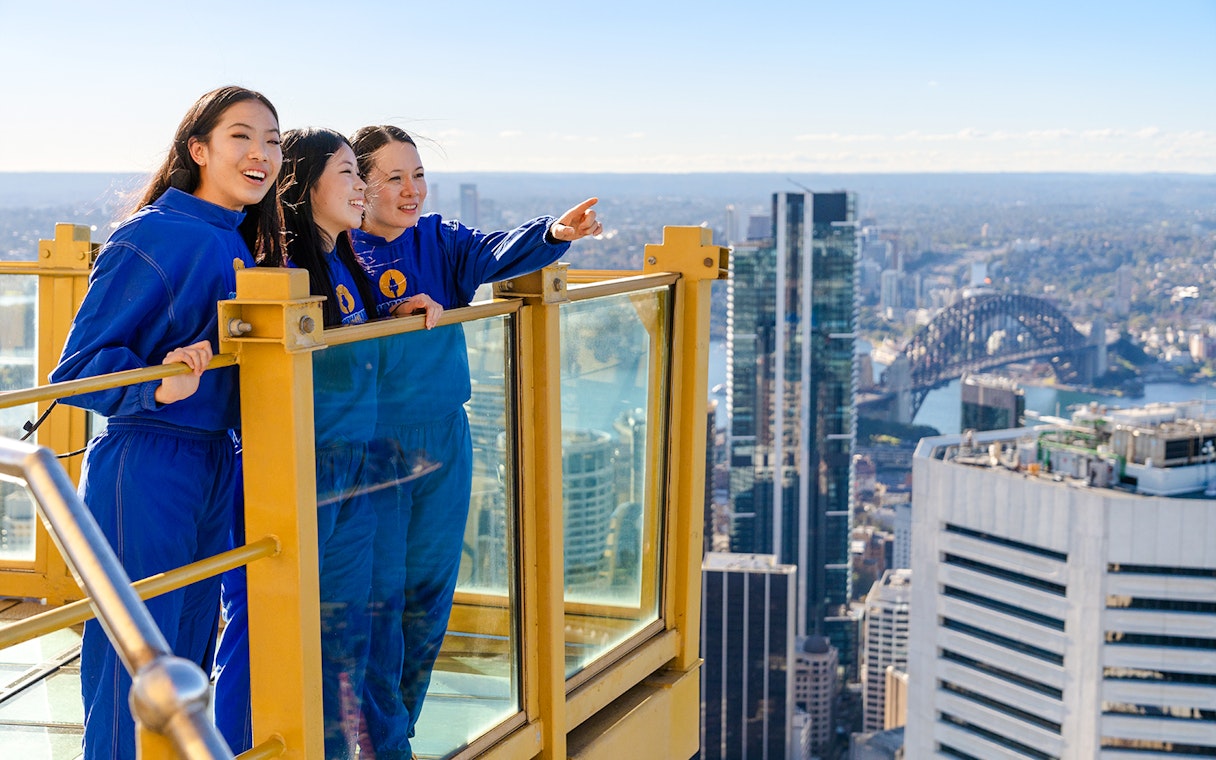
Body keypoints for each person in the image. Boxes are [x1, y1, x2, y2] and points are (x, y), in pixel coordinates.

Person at [349, 124, 601, 759]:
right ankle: (382, 744)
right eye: (393, 178)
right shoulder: (334, 250)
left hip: (443, 438)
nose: (411, 191)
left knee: (428, 599)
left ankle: (394, 732)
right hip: (370, 446)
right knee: (377, 604)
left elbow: (496, 252)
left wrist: (554, 235)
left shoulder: (437, 241)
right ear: (358, 184)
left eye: (418, 176)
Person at [49, 86, 284, 760]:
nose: (260, 153)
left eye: (271, 140)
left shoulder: (237, 239)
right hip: (147, 463)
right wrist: (159, 382)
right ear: (198, 149)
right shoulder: (155, 234)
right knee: (138, 663)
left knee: (184, 659)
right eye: (241, 136)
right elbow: (77, 371)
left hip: (214, 458)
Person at [210, 126, 441, 757]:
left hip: (353, 469)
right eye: (348, 174)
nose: (363, 187)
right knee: (265, 635)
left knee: (344, 639)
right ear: (303, 187)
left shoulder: (346, 264)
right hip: (293, 468)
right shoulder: (273, 265)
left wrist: (388, 317)